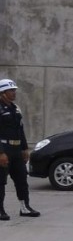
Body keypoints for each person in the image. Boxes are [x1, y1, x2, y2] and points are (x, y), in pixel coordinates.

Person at [0, 78, 40, 221]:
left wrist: (24, 148)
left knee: (22, 179)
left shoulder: (15, 108)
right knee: (1, 181)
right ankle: (1, 210)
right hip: (3, 148)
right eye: (11, 91)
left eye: (14, 90)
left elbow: (20, 129)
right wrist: (1, 152)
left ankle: (25, 207)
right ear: (2, 93)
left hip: (16, 149)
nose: (13, 93)